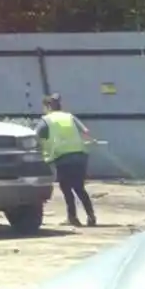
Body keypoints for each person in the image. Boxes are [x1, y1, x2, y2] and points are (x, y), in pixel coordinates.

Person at [34, 93, 96, 227]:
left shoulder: (47, 120)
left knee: (66, 188)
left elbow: (35, 137)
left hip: (63, 158)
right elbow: (85, 131)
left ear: (48, 106)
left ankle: (72, 217)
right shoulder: (69, 116)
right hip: (79, 156)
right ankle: (91, 216)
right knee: (79, 188)